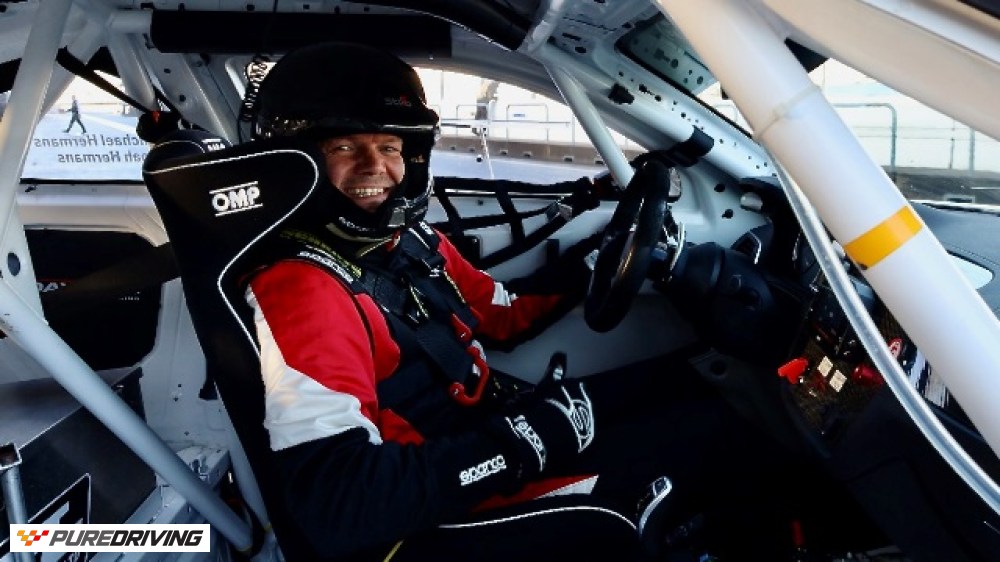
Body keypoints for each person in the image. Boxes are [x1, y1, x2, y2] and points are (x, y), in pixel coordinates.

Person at [241, 42, 800, 562]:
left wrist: (594, 262)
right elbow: (343, 502)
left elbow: (502, 316)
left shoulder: (404, 240)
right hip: (435, 508)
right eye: (343, 147)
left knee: (700, 379)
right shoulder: (303, 287)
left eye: (389, 147)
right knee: (716, 435)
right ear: (295, 160)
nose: (375, 168)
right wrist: (519, 445)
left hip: (481, 431)